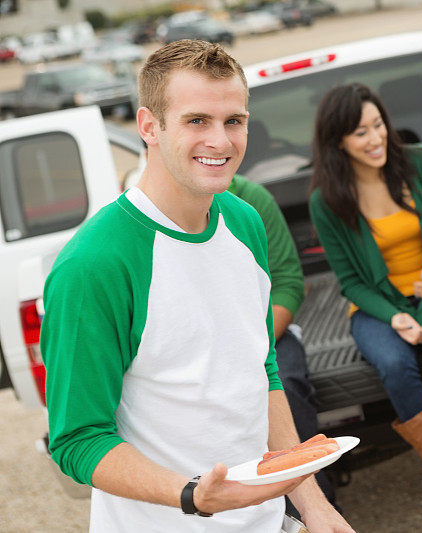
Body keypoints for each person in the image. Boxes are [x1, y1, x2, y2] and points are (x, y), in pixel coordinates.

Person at [40, 40, 353, 533]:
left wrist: (310, 502)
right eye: (196, 121)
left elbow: (262, 369)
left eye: (234, 120)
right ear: (149, 126)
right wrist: (191, 496)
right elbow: (78, 439)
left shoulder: (245, 223)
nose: (222, 141)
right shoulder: (94, 265)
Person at [309, 83, 422, 532]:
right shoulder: (327, 201)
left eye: (378, 126)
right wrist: (393, 316)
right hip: (377, 308)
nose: (374, 140)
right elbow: (351, 282)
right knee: (394, 364)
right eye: (360, 133)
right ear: (338, 141)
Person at [228, 174, 338, 517]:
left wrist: (250, 348)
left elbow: (288, 283)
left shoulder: (251, 201)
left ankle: (319, 510)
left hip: (264, 332)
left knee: (288, 386)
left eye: (232, 122)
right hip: (204, 349)